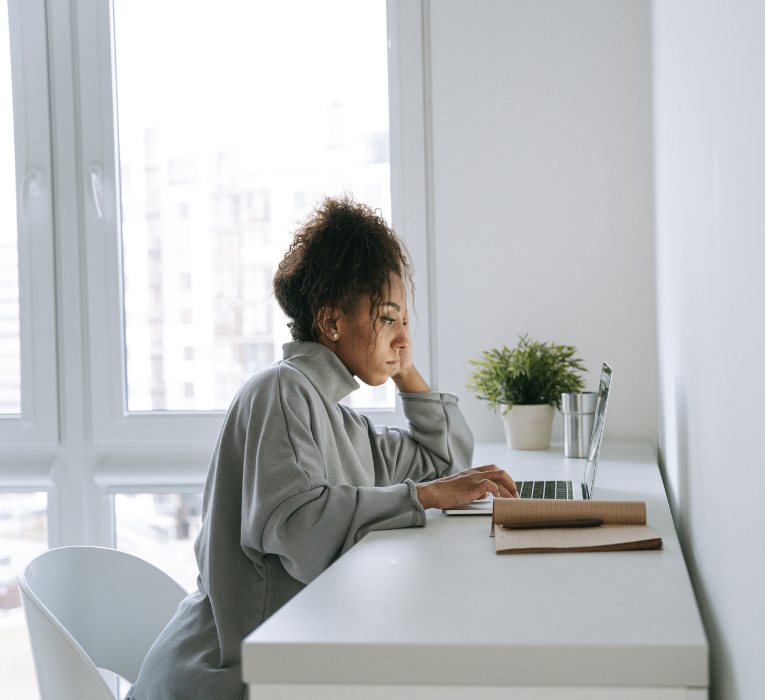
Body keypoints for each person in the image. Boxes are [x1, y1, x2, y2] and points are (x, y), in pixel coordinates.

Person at [128, 196, 517, 700]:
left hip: (278, 674)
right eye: (387, 317)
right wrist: (419, 498)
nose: (403, 337)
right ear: (331, 323)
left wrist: (406, 370)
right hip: (223, 681)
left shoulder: (338, 419)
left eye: (405, 321)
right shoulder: (280, 391)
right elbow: (301, 529)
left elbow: (443, 467)